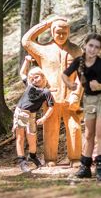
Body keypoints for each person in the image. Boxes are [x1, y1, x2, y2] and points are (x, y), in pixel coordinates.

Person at [22, 17, 83, 167]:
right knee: (50, 128)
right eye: (58, 32)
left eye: (64, 32)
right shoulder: (43, 50)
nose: (61, 35)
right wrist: (49, 22)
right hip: (50, 97)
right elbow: (26, 40)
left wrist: (77, 94)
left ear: (69, 32)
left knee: (74, 128)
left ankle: (75, 158)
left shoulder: (76, 50)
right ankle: (50, 159)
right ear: (52, 32)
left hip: (71, 97)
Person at [62, 33, 101, 181]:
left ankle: (100, 168)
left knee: (100, 132)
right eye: (91, 45)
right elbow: (64, 74)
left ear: (100, 50)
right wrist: (69, 84)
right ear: (85, 45)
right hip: (88, 100)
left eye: (96, 47)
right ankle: (85, 167)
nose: (93, 49)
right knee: (89, 134)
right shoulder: (78, 61)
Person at [13, 55, 54, 172]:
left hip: (32, 115)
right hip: (21, 112)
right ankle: (21, 161)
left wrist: (44, 118)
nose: (34, 80)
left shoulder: (46, 92)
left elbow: (51, 107)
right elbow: (22, 72)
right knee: (20, 137)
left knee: (32, 137)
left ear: (43, 77)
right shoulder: (29, 85)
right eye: (32, 78)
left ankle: (32, 156)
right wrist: (26, 61)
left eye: (36, 77)